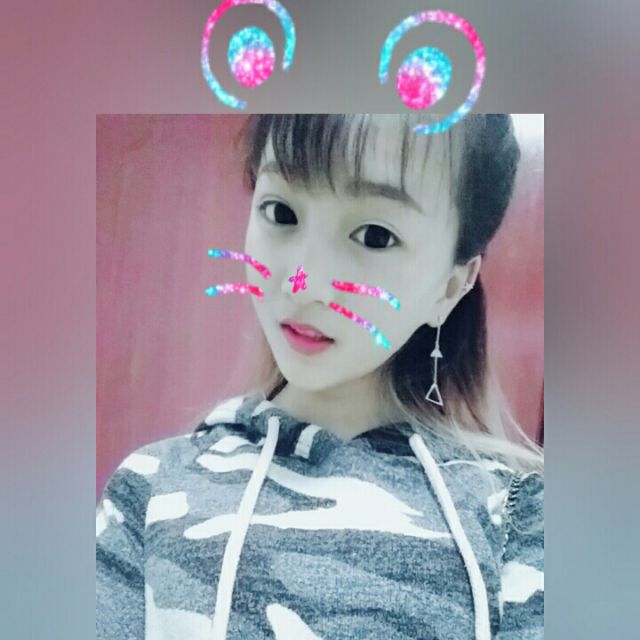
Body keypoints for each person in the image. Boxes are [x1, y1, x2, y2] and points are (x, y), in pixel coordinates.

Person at [96, 114, 544, 639]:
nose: (302, 284)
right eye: (280, 212)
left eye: (374, 236)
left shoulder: (522, 520)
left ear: (452, 285)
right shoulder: (150, 487)